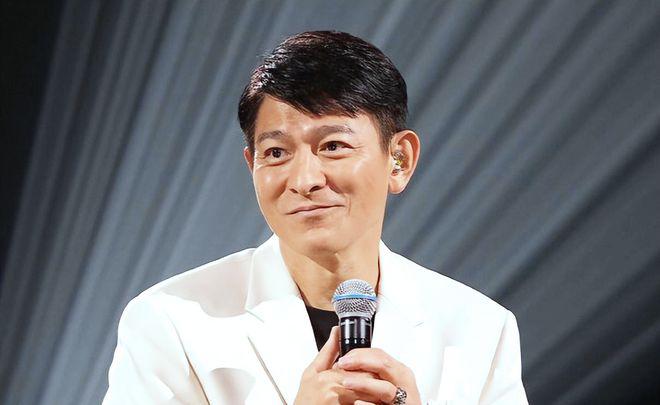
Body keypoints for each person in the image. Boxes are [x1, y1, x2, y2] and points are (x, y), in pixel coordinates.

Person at [103, 30, 528, 405]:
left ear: (398, 159)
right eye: (276, 153)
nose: (304, 179)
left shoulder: (479, 330)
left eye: (333, 146)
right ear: (252, 166)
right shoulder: (171, 322)